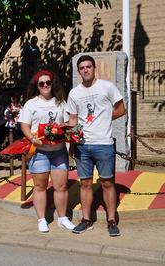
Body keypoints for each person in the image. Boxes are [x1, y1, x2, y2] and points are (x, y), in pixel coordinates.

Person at [67, 55, 126, 237]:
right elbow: (73, 120)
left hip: (103, 144)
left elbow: (121, 108)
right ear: (79, 72)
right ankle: (86, 220)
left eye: (88, 67)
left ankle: (111, 221)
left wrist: (104, 120)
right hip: (83, 145)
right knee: (85, 184)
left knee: (107, 183)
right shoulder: (74, 93)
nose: (86, 70)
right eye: (82, 68)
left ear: (94, 68)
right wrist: (70, 141)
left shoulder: (106, 87)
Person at [18, 70, 75, 233]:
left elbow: (67, 123)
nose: (45, 86)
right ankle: (42, 219)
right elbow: (24, 126)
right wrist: (32, 139)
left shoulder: (61, 103)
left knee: (61, 186)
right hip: (39, 151)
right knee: (40, 186)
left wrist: (67, 135)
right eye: (41, 83)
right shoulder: (31, 104)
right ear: (37, 86)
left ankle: (63, 218)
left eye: (48, 83)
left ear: (52, 83)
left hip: (58, 151)